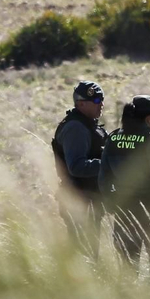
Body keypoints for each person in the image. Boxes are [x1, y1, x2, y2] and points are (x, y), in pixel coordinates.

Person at [99, 95, 150, 271]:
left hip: (124, 208)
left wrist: (110, 202)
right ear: (149, 118)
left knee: (127, 268)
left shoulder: (114, 138)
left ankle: (127, 298)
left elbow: (104, 177)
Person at [52, 80, 109, 257]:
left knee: (88, 255)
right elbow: (76, 167)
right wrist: (108, 165)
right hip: (80, 200)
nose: (101, 105)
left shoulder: (87, 124)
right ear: (81, 103)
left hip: (88, 199)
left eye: (102, 100)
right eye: (97, 101)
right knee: (85, 257)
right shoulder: (76, 128)